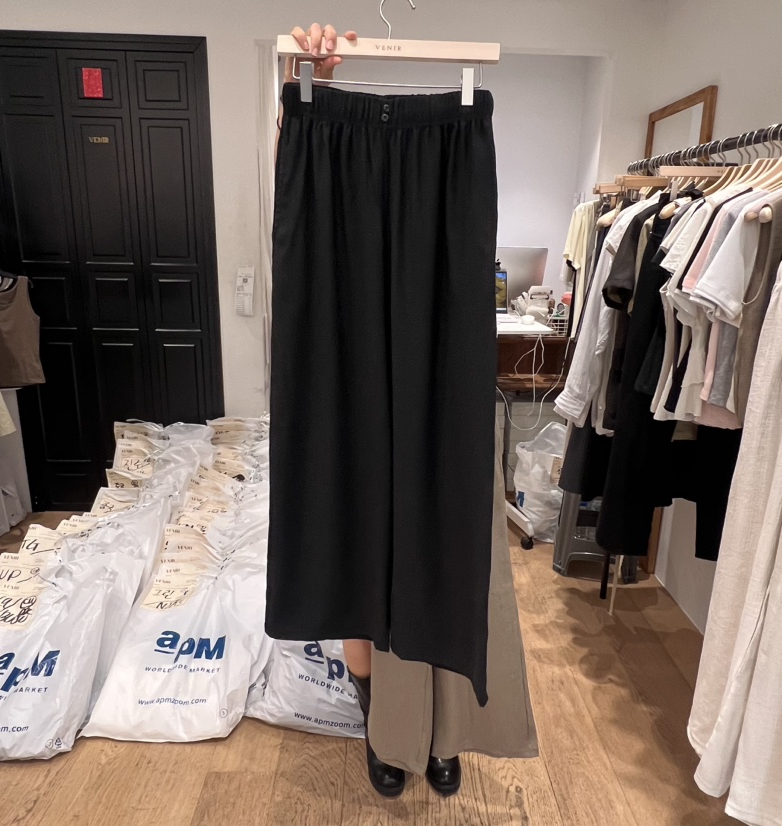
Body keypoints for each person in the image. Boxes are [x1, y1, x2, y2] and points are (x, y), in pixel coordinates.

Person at [279, 22, 463, 800]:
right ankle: (379, 719)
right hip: (329, 157)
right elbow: (293, 159)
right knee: (355, 517)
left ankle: (440, 726)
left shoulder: (459, 139)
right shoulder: (311, 131)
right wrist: (307, 82)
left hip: (446, 157)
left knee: (436, 528)